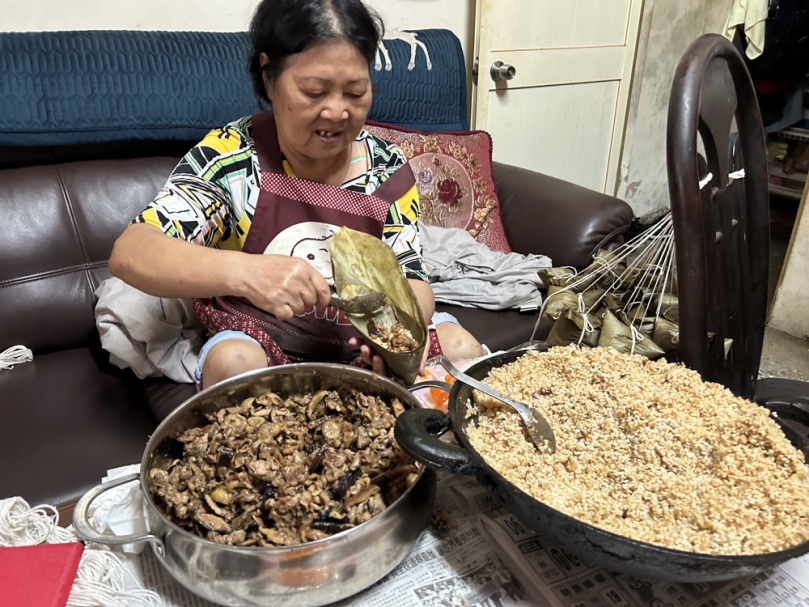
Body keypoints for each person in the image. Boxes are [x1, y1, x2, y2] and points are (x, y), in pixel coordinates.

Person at [109, 0, 485, 390]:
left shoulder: (387, 168)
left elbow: (413, 279)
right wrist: (248, 273)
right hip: (263, 341)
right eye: (314, 91)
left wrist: (399, 335)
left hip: (363, 349)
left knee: (461, 350)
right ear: (269, 77)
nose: (337, 112)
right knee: (233, 364)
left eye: (355, 92)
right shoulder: (233, 158)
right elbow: (131, 252)